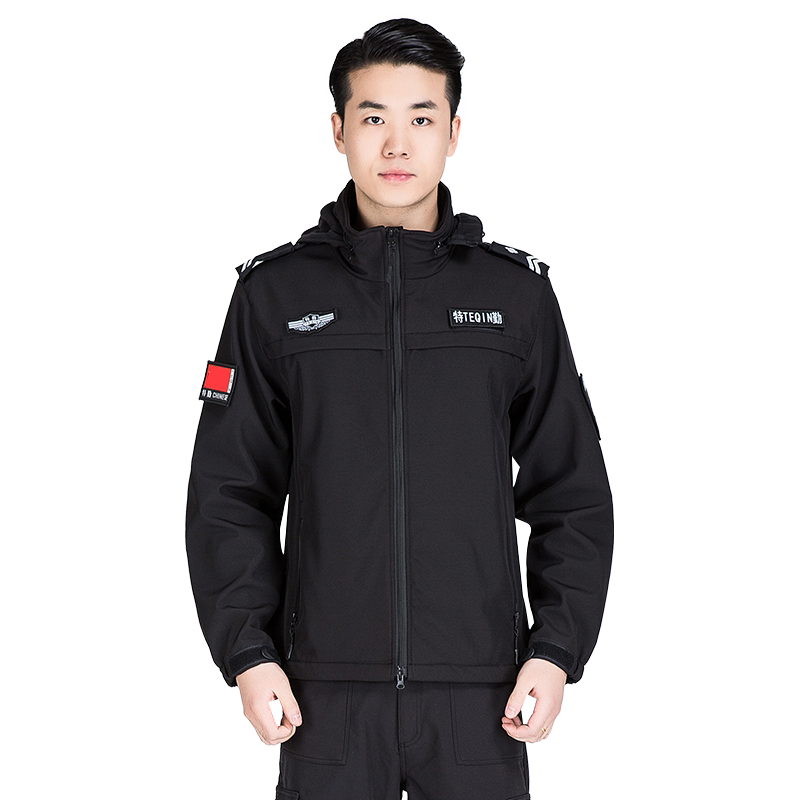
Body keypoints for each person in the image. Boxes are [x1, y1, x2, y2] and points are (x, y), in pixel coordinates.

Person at [185, 17, 613, 800]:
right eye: (373, 117)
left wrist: (556, 650)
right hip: (322, 699)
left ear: (453, 133)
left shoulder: (515, 296)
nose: (396, 144)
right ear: (338, 131)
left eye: (420, 118)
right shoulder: (272, 296)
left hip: (484, 697)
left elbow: (573, 493)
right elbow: (228, 493)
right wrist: (248, 654)